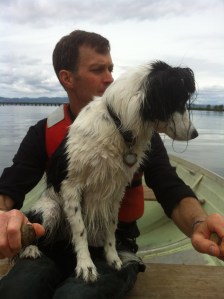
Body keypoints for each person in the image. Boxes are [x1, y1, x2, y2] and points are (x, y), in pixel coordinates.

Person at [0, 29, 223, 299]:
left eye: (111, 68)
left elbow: (169, 186)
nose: (110, 78)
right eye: (98, 70)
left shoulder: (142, 132)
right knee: (15, 291)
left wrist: (198, 223)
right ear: (67, 78)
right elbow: (9, 187)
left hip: (115, 244)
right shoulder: (43, 131)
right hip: (53, 238)